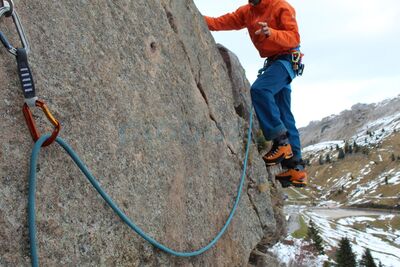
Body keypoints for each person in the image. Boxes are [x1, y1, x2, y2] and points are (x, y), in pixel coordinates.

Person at [204, 0, 307, 187]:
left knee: (260, 90)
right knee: (284, 114)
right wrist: (196, 17)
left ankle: (281, 142)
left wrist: (272, 33)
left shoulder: (280, 6)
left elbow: (294, 38)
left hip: (285, 60)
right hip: (278, 63)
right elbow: (221, 22)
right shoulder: (248, 12)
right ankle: (296, 169)